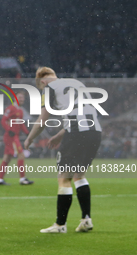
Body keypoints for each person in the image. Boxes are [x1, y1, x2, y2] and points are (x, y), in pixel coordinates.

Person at [24, 67, 101, 233]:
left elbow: (43, 118)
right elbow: (82, 113)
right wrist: (60, 134)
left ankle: (60, 225)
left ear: (42, 81)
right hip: (95, 132)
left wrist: (30, 138)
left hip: (76, 134)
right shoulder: (76, 83)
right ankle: (86, 219)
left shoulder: (50, 88)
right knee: (79, 175)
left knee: (63, 177)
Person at [0, 91, 34, 185]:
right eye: (20, 97)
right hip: (11, 137)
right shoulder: (11, 108)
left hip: (14, 136)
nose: (22, 99)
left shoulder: (20, 111)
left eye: (23, 98)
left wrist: (27, 133)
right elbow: (3, 120)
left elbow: (21, 123)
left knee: (7, 158)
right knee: (21, 155)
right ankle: (22, 179)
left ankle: (0, 179)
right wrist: (9, 130)